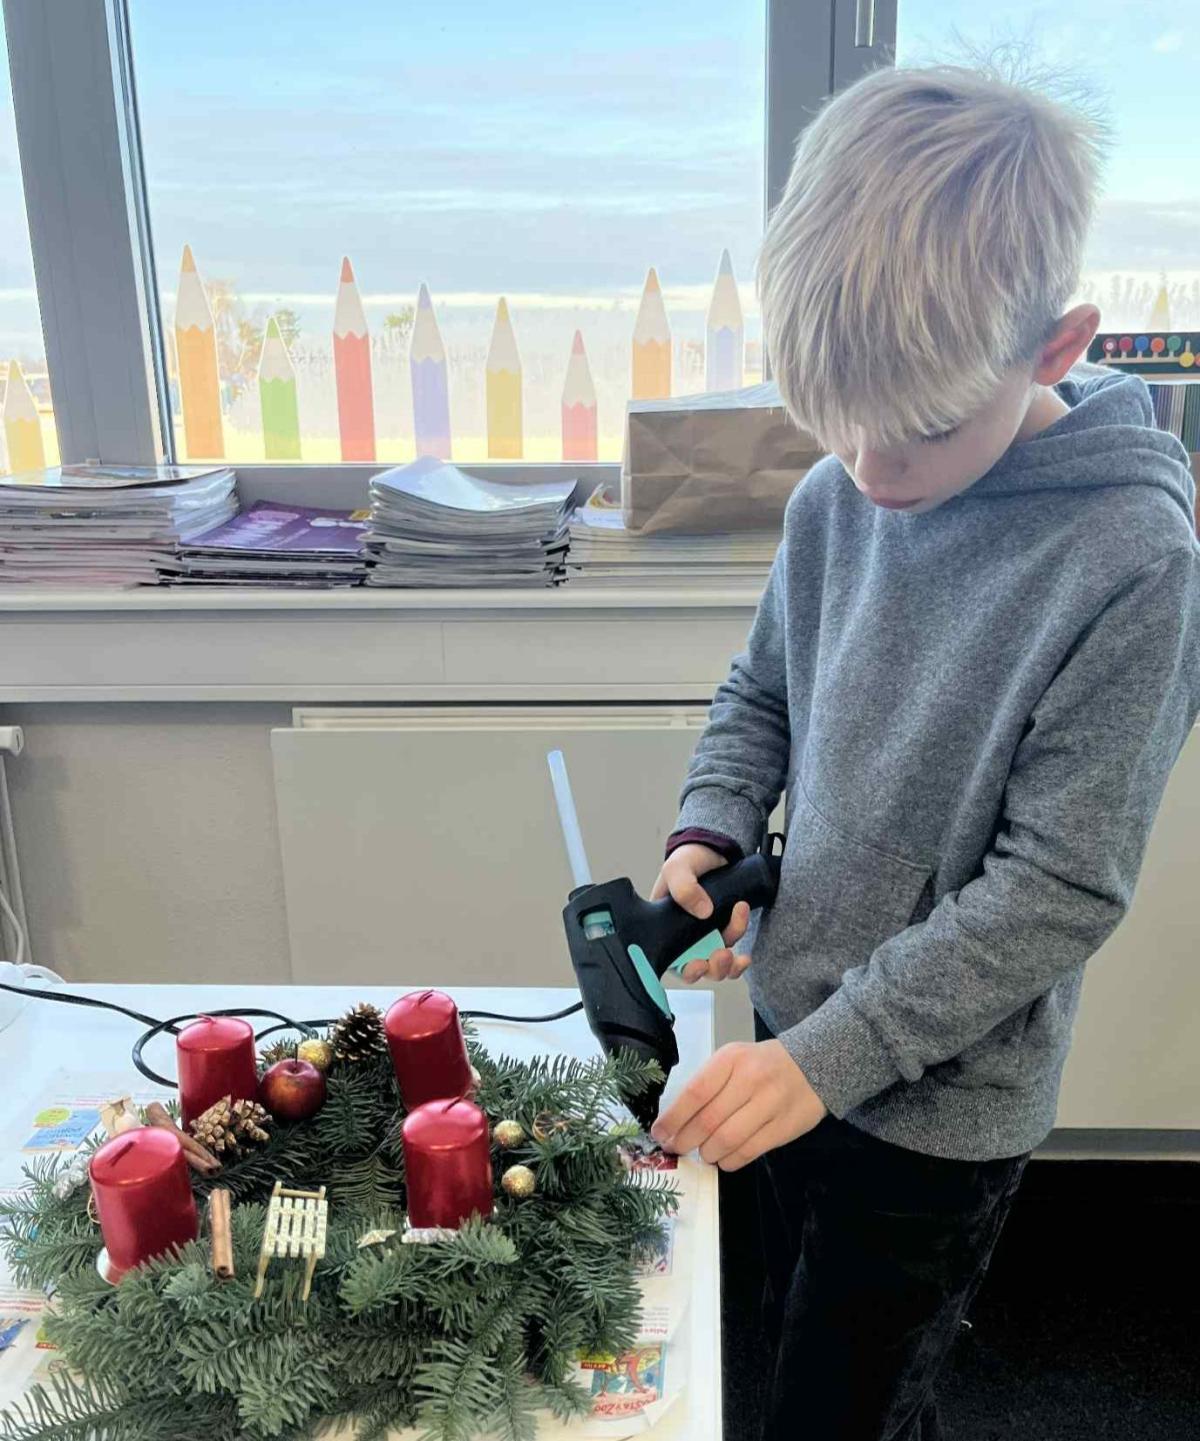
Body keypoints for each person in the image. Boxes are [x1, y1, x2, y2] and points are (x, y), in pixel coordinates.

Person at [648, 62, 1200, 1441]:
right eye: (833, 419)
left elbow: (1059, 889)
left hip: (943, 1106)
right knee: (783, 1347)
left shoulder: (1134, 559)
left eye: (921, 429)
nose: (868, 469)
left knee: (849, 1397)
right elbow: (764, 689)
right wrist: (714, 825)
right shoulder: (840, 490)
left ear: (1057, 348)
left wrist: (830, 1058)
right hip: (793, 1028)